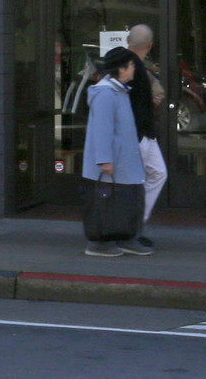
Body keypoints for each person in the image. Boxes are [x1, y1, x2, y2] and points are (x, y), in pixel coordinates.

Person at [82, 47, 149, 257]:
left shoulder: (118, 90)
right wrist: (105, 160)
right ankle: (101, 243)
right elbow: (102, 130)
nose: (134, 70)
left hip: (124, 163)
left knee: (128, 202)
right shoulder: (105, 93)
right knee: (111, 205)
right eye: (131, 65)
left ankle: (125, 238)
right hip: (114, 164)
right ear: (121, 68)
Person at [126, 24, 167, 250]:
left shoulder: (131, 66)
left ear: (127, 39)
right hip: (139, 133)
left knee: (157, 173)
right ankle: (131, 230)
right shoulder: (134, 67)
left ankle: (135, 226)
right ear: (150, 45)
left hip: (142, 133)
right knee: (137, 182)